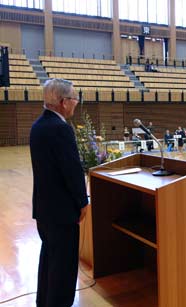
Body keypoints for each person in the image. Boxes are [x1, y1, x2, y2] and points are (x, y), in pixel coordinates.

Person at [29, 78, 89, 307]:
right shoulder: (60, 128)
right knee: (63, 266)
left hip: (44, 210)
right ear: (64, 102)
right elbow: (71, 170)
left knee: (49, 259)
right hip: (62, 212)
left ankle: (44, 302)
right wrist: (82, 202)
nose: (76, 103)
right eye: (75, 99)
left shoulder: (38, 126)